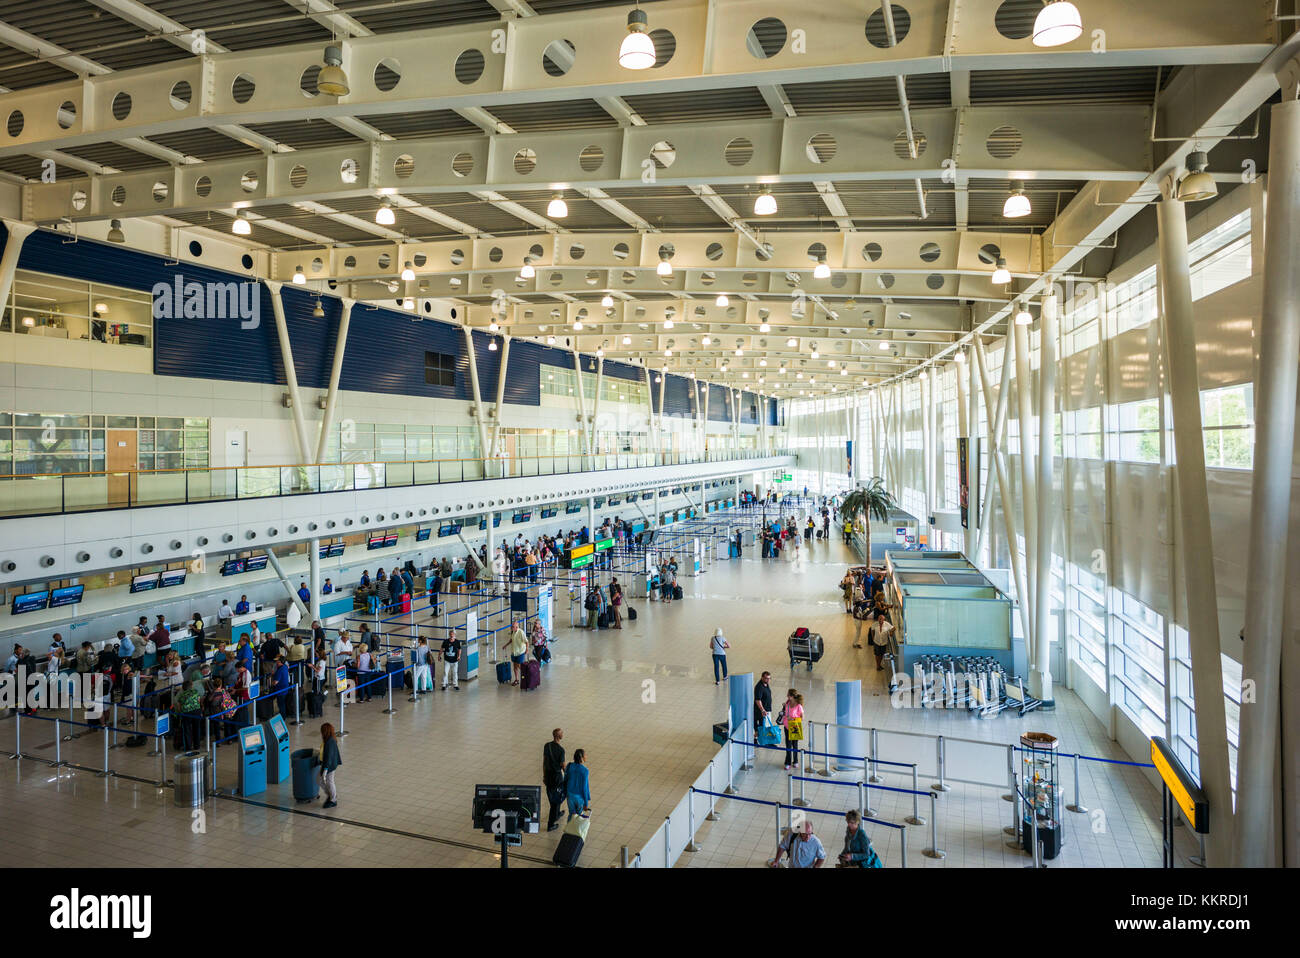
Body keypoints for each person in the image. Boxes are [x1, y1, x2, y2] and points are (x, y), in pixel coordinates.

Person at [543, 728, 566, 832]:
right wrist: (568, 774)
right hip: (557, 777)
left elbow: (544, 762)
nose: (563, 735)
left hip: (548, 775)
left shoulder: (547, 746)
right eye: (562, 733)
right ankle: (550, 824)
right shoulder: (561, 750)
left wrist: (544, 776)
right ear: (558, 736)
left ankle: (557, 813)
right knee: (556, 799)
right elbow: (563, 766)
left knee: (554, 795)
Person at [317, 722, 342, 809]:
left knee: (329, 781)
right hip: (330, 764)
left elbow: (329, 757)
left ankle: (333, 799)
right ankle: (331, 795)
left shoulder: (329, 742)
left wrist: (325, 770)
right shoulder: (330, 739)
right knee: (320, 780)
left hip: (329, 765)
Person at [779, 688, 804, 770]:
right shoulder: (787, 703)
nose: (787, 696)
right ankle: (787, 762)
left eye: (789, 695)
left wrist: (792, 719)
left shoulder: (798, 706)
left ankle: (795, 761)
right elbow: (785, 712)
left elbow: (802, 717)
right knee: (788, 745)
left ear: (793, 696)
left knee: (795, 745)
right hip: (787, 727)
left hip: (795, 727)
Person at [563, 748, 591, 820]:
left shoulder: (569, 766)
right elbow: (584, 788)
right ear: (581, 758)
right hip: (579, 798)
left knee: (571, 814)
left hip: (570, 795)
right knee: (579, 816)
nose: (586, 756)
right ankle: (576, 830)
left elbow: (565, 779)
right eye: (585, 755)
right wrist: (586, 803)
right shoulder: (585, 771)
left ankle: (569, 829)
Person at [503, 620, 527, 686]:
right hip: (514, 652)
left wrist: (527, 649)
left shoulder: (521, 632)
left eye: (513, 626)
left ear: (517, 627)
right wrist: (506, 645)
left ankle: (525, 677)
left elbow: (526, 641)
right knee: (515, 667)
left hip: (520, 652)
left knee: (520, 666)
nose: (512, 628)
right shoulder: (513, 632)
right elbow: (511, 640)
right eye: (512, 626)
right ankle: (516, 680)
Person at [753, 671, 773, 740]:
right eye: (766, 678)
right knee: (762, 726)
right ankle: (759, 740)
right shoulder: (759, 687)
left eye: (769, 678)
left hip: (767, 709)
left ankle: (761, 739)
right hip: (761, 711)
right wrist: (762, 710)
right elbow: (758, 700)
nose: (768, 680)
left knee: (764, 726)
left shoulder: (766, 684)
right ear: (762, 678)